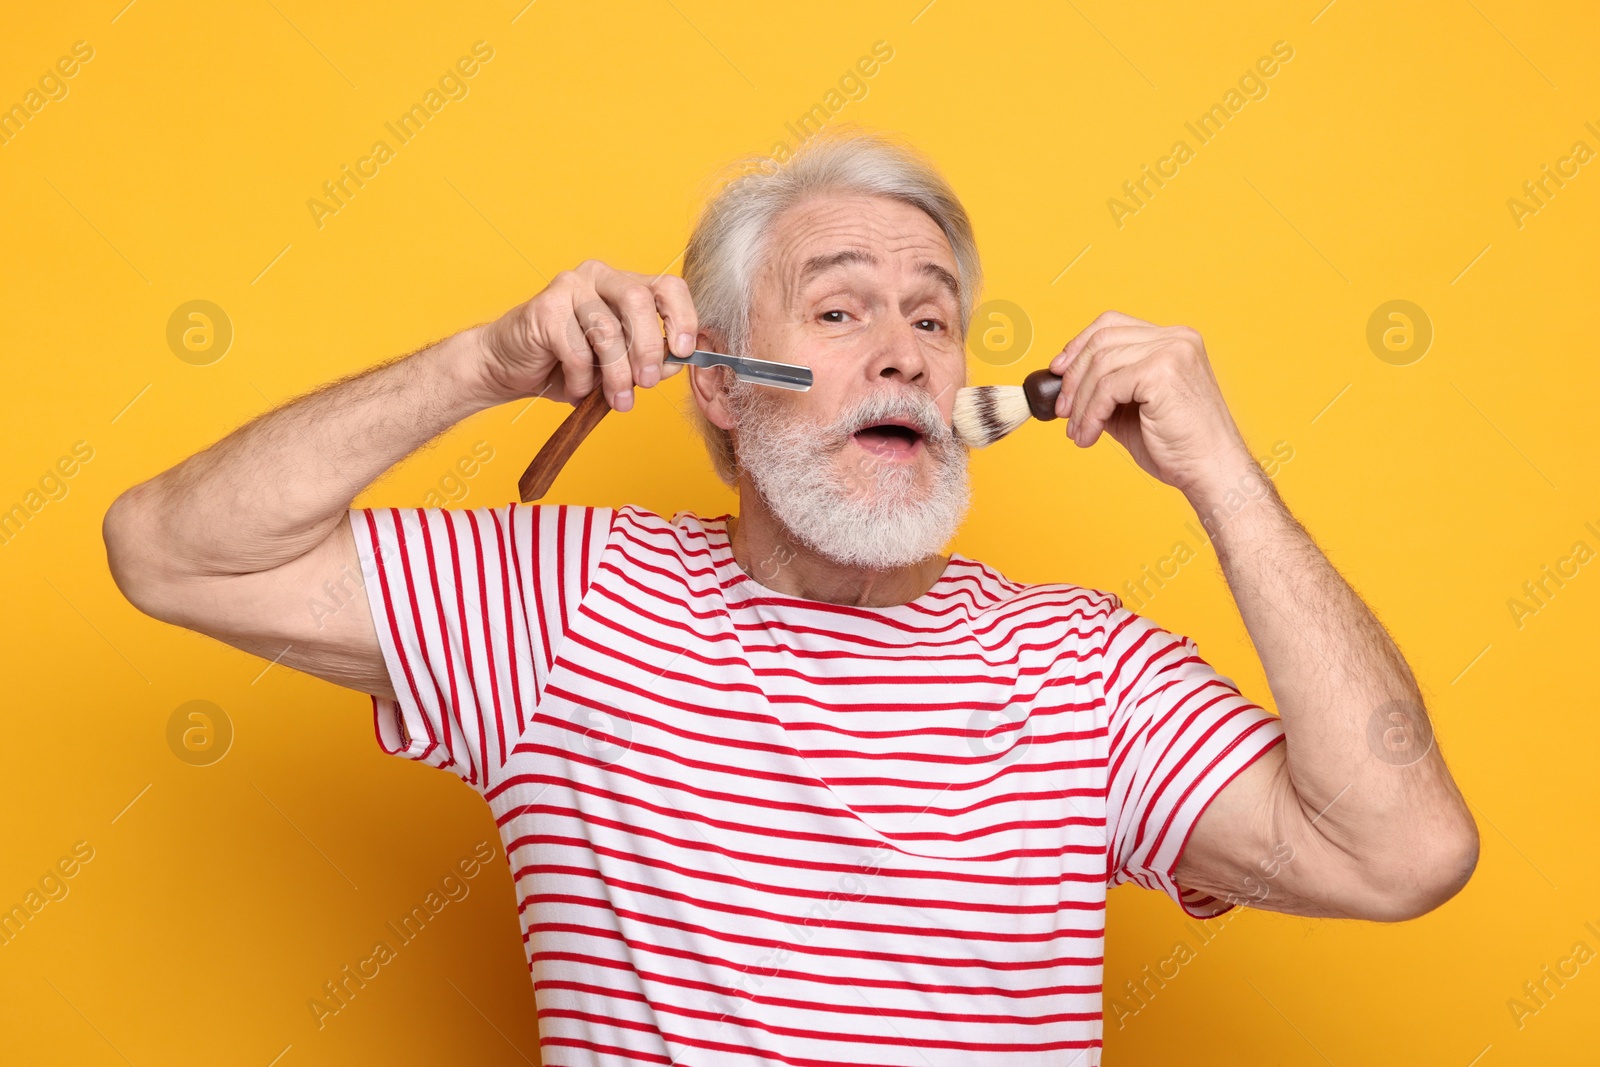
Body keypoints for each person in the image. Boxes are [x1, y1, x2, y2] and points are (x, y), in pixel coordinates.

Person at [102, 127, 1477, 1065]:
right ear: (716, 380)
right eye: (838, 312)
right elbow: (171, 548)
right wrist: (483, 363)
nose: (904, 355)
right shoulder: (563, 606)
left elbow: (1403, 851)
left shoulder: (1085, 674)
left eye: (934, 320)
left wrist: (1226, 480)